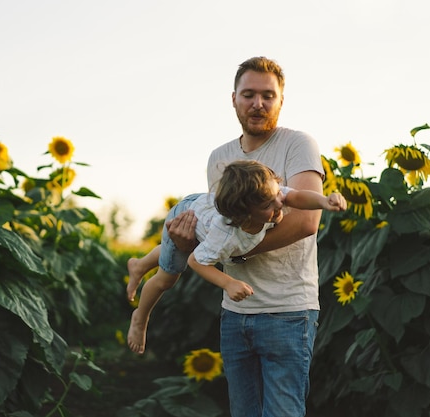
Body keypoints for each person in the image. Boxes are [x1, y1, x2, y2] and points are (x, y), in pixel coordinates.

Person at [166, 56, 325, 417]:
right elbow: (220, 229)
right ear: (234, 99)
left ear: (281, 100)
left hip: (287, 310)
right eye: (249, 94)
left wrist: (234, 255)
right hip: (235, 311)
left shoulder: (298, 144)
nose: (258, 103)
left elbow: (305, 222)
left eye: (268, 95)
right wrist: (185, 243)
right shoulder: (219, 158)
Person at [126, 160, 346, 355]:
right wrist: (228, 283)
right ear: (244, 214)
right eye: (268, 205)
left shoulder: (269, 193)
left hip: (205, 207)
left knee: (171, 250)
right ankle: (140, 317)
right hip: (187, 215)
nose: (280, 203)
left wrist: (324, 201)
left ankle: (139, 266)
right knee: (168, 277)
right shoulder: (225, 236)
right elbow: (196, 260)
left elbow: (296, 196)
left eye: (278, 194)